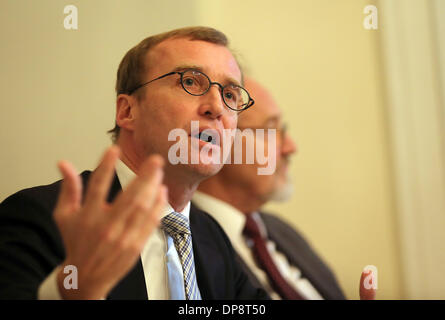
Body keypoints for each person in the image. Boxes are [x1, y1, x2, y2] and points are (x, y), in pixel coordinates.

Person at [0, 27, 268, 300]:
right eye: (190, 82)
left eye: (231, 95)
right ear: (127, 111)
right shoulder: (40, 217)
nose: (217, 108)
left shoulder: (211, 236)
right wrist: (72, 292)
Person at [192, 77, 346, 300]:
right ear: (215, 141)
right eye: (271, 129)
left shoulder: (282, 232)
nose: (290, 147)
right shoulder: (182, 245)